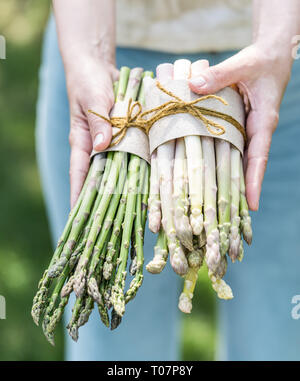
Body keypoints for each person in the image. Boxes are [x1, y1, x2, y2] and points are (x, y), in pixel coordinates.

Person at [36, 0, 300, 360]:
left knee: (276, 341)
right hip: (108, 69)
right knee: (116, 351)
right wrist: (88, 56)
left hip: (277, 62)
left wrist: (278, 39)